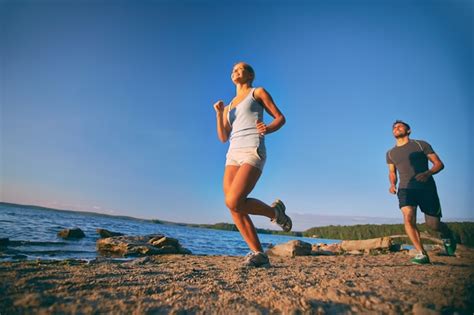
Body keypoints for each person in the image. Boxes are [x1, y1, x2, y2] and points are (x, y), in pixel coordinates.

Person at [213, 62, 292, 267]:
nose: (235, 72)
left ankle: (276, 214)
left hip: (252, 149)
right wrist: (219, 113)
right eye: (233, 70)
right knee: (234, 206)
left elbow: (280, 118)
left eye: (240, 69)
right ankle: (259, 253)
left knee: (233, 200)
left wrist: (267, 128)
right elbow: (223, 137)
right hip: (232, 154)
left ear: (250, 75)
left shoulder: (258, 92)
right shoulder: (229, 105)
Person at [386, 120, 456, 264]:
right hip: (405, 188)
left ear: (409, 130)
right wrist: (392, 184)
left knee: (433, 224)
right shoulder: (390, 153)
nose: (396, 128)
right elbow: (392, 172)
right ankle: (421, 253)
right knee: (408, 217)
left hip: (426, 188)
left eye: (400, 126)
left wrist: (428, 173)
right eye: (394, 127)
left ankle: (447, 234)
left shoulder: (420, 145)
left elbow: (439, 164)